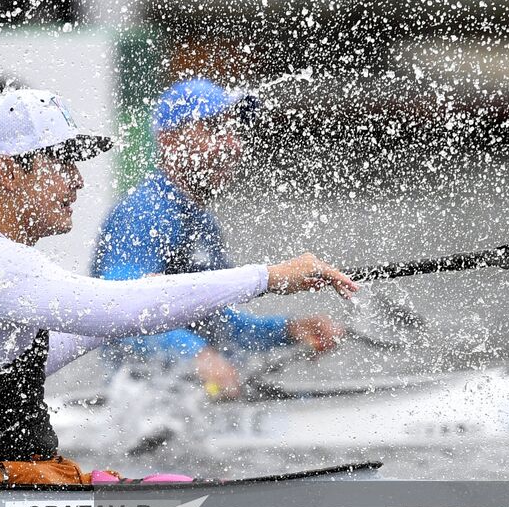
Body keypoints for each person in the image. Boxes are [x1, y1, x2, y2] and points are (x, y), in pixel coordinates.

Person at [0, 87, 357, 485]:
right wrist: (269, 277)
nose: (78, 180)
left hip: (10, 480)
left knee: (173, 482)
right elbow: (118, 309)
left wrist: (157, 297)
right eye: (62, 161)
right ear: (9, 172)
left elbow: (26, 364)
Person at [92, 78, 344, 399]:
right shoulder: (144, 212)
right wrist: (197, 356)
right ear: (169, 141)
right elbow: (118, 308)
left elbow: (222, 326)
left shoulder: (203, 223)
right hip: (140, 410)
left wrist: (288, 330)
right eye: (213, 128)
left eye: (234, 130)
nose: (232, 143)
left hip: (194, 399)